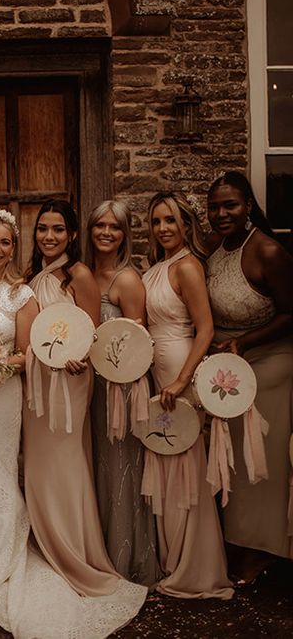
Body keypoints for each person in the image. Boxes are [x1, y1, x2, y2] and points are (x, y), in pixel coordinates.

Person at [0, 209, 146, 637]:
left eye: (5, 242)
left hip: (0, 400)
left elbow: (27, 352)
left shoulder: (21, 296)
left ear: (12, 248)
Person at [24, 199, 129, 597]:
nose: (49, 237)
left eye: (57, 230)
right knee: (38, 464)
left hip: (69, 383)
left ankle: (73, 549)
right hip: (35, 385)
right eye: (42, 229)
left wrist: (78, 359)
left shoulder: (79, 275)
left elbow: (92, 335)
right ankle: (45, 541)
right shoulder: (32, 277)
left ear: (70, 235)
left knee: (65, 460)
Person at [141, 191, 233, 599]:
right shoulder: (155, 266)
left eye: (171, 221)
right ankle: (170, 558)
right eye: (157, 221)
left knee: (185, 465)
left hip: (179, 371)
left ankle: (196, 567)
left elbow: (206, 329)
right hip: (154, 374)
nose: (163, 228)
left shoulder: (188, 266)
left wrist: (181, 380)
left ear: (186, 225)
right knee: (163, 455)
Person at [206, 172, 293, 581]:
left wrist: (246, 343)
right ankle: (235, 539)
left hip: (270, 364)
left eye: (230, 206)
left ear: (248, 206)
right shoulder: (217, 249)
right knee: (230, 458)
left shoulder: (269, 251)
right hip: (228, 366)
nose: (221, 214)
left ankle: (264, 548)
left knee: (260, 460)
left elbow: (291, 314)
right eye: (215, 207)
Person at [86, 200, 160, 586]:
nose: (106, 233)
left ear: (125, 234)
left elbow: (139, 343)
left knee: (120, 468)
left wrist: (122, 385)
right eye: (100, 225)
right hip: (89, 387)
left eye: (115, 227)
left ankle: (124, 558)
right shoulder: (84, 274)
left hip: (120, 389)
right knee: (95, 464)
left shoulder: (127, 280)